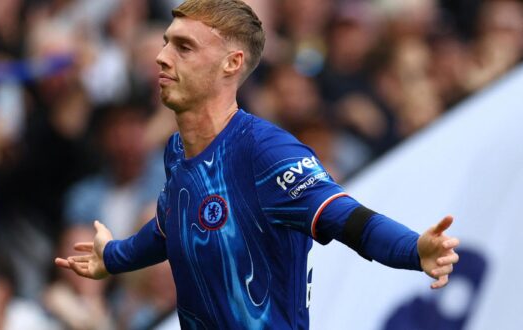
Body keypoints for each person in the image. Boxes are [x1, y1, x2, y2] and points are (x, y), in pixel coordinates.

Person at [56, 0, 460, 329]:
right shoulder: (178, 150)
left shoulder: (266, 152)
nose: (161, 58)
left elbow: (348, 218)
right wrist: (114, 256)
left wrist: (414, 249)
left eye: (183, 47)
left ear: (231, 64)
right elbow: (171, 222)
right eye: (165, 43)